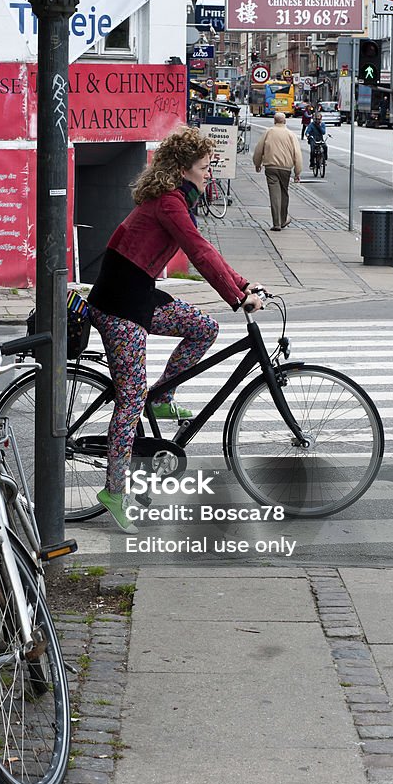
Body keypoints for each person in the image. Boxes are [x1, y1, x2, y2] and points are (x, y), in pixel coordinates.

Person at [87, 127, 263, 534]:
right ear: (183, 169)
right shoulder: (169, 203)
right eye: (204, 168)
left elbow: (205, 249)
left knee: (204, 328)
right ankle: (114, 491)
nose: (209, 174)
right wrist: (237, 297)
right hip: (119, 307)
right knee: (130, 401)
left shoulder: (175, 198)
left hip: (140, 294)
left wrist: (243, 285)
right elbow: (199, 251)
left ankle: (163, 395)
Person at [252, 112, 302, 232]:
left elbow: (259, 150)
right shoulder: (291, 135)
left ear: (274, 121)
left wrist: (257, 164)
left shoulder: (268, 132)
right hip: (286, 168)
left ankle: (276, 222)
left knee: (274, 195)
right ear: (285, 121)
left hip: (271, 167)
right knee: (284, 193)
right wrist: (297, 172)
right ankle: (283, 219)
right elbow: (297, 154)